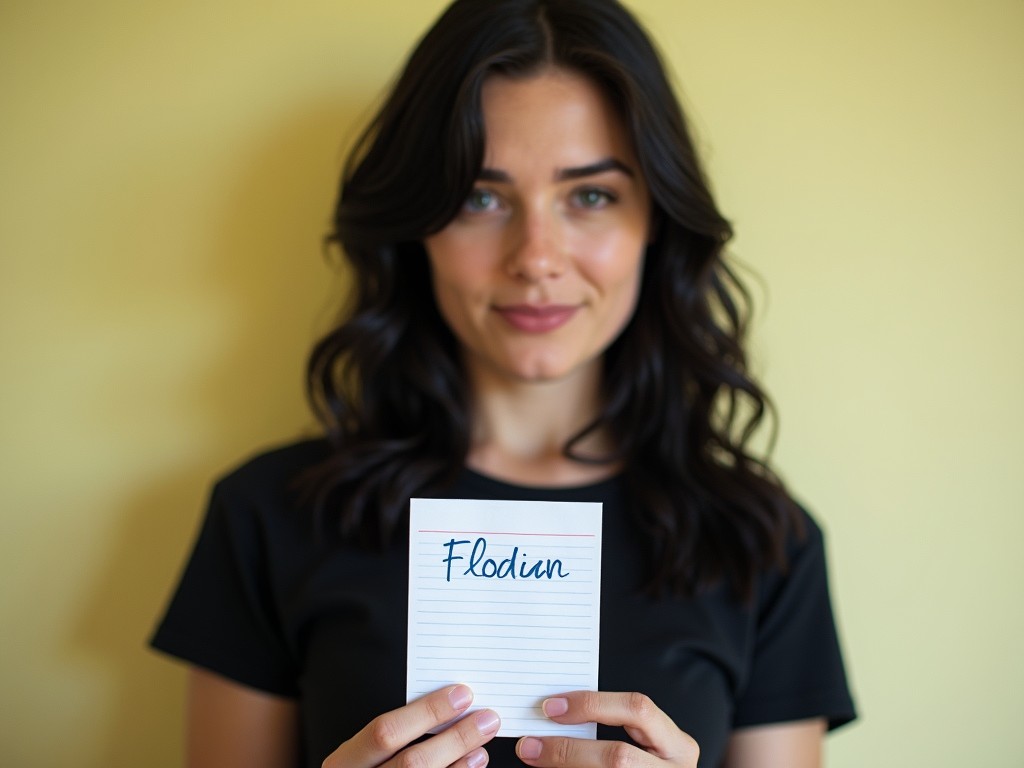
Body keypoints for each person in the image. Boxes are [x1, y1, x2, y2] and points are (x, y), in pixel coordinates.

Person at [151, 1, 856, 766]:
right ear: (417, 225)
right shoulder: (269, 515)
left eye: (590, 196)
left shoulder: (763, 543)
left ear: (656, 220)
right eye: (481, 198)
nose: (537, 257)